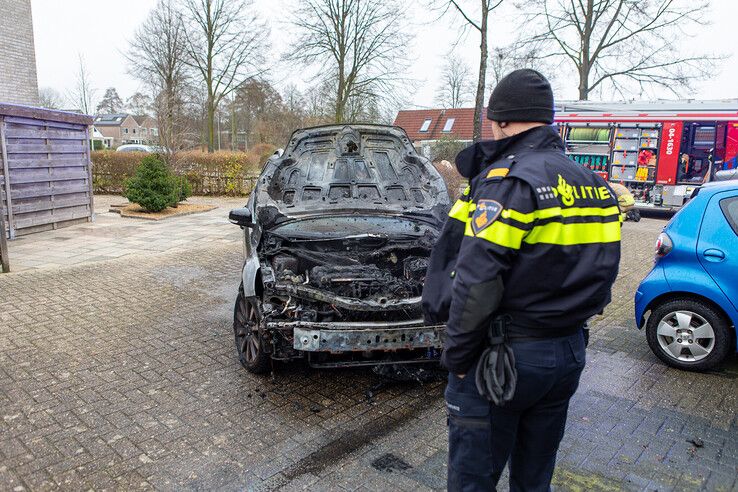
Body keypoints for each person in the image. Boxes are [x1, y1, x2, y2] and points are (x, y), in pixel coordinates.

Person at [422, 69, 621, 491]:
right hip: (567, 352)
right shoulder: (592, 184)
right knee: (534, 479)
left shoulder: (509, 182)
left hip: (503, 359)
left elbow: (477, 283)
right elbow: (604, 274)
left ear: (500, 119)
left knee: (473, 481)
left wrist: (457, 359)